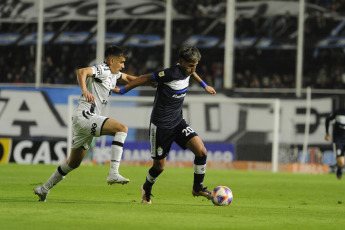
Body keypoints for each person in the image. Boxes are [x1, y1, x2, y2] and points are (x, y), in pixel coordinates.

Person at [114, 45, 216, 204]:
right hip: (161, 127)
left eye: (195, 65)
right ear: (181, 62)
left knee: (201, 151)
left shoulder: (188, 70)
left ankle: (198, 188)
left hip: (178, 123)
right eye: (190, 66)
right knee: (159, 167)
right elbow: (144, 78)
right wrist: (122, 90)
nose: (193, 69)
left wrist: (204, 86)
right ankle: (146, 187)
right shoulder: (169, 74)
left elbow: (193, 73)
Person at [34, 45, 137, 202]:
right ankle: (113, 173)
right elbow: (82, 71)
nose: (123, 66)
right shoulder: (103, 69)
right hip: (85, 115)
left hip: (84, 120)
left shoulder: (113, 74)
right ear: (111, 60)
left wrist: (152, 81)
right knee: (121, 128)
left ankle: (43, 189)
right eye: (121, 62)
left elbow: (130, 79)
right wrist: (84, 90)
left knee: (73, 163)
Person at [325, 108, 345, 179]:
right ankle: (339, 170)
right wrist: (327, 133)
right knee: (341, 162)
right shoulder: (338, 112)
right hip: (339, 140)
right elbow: (327, 119)